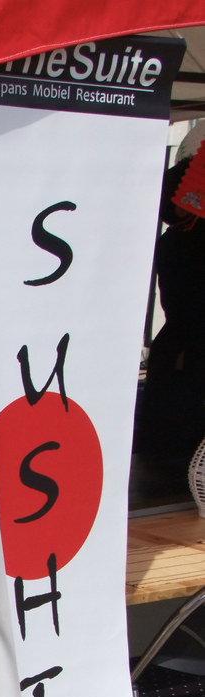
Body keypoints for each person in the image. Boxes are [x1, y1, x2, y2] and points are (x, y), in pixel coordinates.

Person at [135, 157, 205, 477]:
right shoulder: (178, 240)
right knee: (176, 439)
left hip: (183, 344)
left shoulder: (177, 238)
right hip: (186, 345)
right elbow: (182, 301)